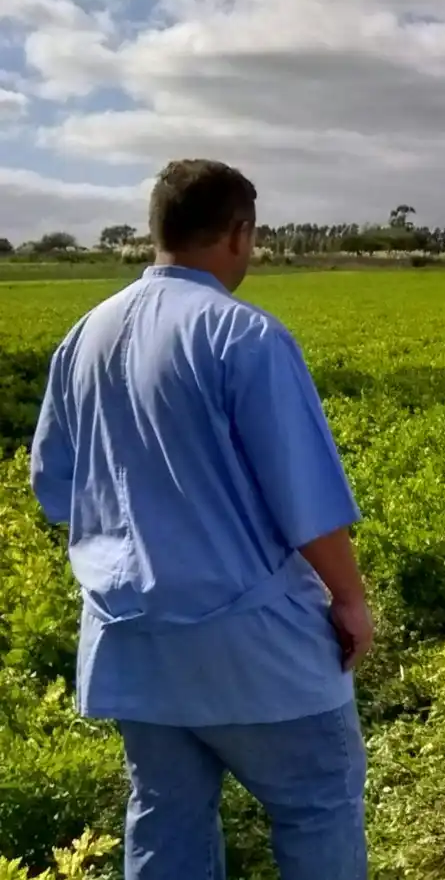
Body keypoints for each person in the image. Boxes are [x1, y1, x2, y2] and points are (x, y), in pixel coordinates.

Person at [29, 159, 375, 880]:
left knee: (166, 819)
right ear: (240, 234)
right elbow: (304, 498)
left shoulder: (83, 338)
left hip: (133, 647)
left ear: (157, 231)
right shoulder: (245, 336)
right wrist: (349, 598)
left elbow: (56, 491)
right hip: (253, 648)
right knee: (315, 807)